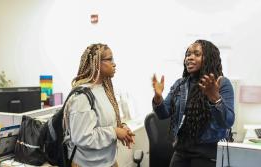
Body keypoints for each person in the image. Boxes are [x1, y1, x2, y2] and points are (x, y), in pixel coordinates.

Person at [151, 39, 235, 167]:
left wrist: (215, 98)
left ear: (209, 58)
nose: (189, 58)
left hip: (208, 153)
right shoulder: (180, 84)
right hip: (182, 150)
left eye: (196, 54)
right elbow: (163, 114)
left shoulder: (222, 83)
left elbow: (227, 121)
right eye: (188, 54)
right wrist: (158, 98)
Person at [63, 43, 135, 167]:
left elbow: (104, 122)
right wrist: (115, 132)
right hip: (86, 164)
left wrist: (121, 127)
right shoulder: (81, 96)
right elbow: (82, 137)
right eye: (109, 59)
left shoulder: (104, 89)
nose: (114, 63)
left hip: (107, 162)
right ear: (96, 64)